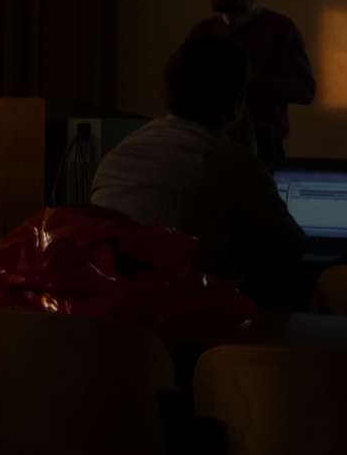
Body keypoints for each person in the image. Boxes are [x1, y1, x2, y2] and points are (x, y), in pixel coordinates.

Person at [91, 37, 306, 307]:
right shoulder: (234, 164)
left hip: (105, 322)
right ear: (237, 103)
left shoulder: (115, 157)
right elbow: (290, 252)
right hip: (180, 326)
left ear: (164, 92)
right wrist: (251, 160)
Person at [188, 0, 316, 161]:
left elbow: (305, 90)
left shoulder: (279, 28)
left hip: (262, 150)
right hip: (209, 147)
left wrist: (258, 79)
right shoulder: (201, 32)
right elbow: (176, 86)